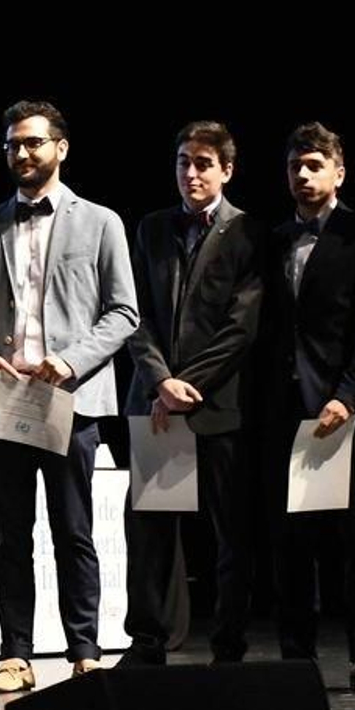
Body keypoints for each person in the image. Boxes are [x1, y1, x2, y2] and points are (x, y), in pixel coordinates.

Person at [0, 100, 137, 693]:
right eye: (13, 144)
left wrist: (71, 360)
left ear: (61, 147)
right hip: (6, 398)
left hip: (71, 398)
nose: (22, 153)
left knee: (73, 532)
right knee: (10, 536)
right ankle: (16, 655)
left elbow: (123, 312)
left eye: (33, 142)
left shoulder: (101, 222)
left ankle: (84, 650)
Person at [124, 120, 262, 665]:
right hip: (157, 402)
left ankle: (228, 644)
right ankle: (147, 641)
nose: (191, 173)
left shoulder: (248, 232)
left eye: (203, 164)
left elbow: (241, 326)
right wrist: (161, 381)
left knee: (230, 534)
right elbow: (134, 315)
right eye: (183, 162)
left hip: (218, 406)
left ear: (227, 170)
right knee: (150, 532)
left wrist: (189, 385)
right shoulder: (153, 228)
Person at [260, 123, 355, 689]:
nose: (304, 176)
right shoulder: (273, 238)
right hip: (284, 407)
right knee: (291, 542)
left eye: (315, 166)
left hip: (341, 409)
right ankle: (297, 659)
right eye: (296, 167)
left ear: (339, 172)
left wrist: (349, 396)